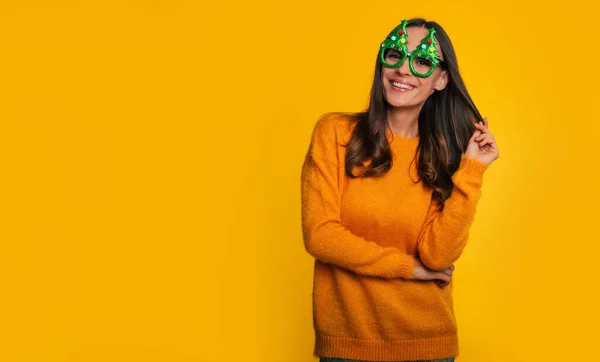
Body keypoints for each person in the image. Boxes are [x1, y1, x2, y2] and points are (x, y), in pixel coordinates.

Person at [300, 18, 499, 362]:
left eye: (421, 61)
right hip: (347, 344)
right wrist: (409, 268)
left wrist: (472, 170)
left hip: (427, 344)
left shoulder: (449, 153)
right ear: (382, 64)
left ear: (441, 79)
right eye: (395, 55)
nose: (403, 69)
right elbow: (320, 235)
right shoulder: (335, 134)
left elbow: (437, 258)